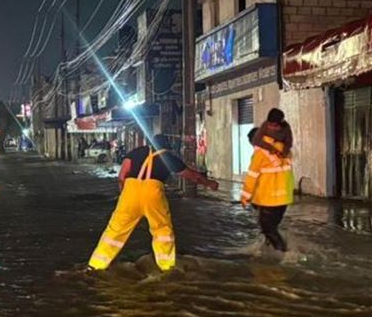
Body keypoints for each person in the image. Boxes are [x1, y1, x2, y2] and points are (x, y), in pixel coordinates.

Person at [88, 134, 218, 271]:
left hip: (130, 193)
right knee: (162, 230)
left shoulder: (136, 152)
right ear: (167, 146)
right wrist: (209, 183)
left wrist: (125, 194)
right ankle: (167, 268)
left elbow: (122, 176)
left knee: (115, 230)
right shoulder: (168, 157)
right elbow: (192, 176)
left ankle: (96, 265)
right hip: (153, 194)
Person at [241, 111, 294, 252]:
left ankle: (283, 255)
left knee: (268, 229)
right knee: (271, 228)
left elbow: (252, 177)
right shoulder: (284, 150)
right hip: (284, 198)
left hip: (269, 198)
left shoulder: (260, 154)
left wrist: (245, 197)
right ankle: (270, 248)